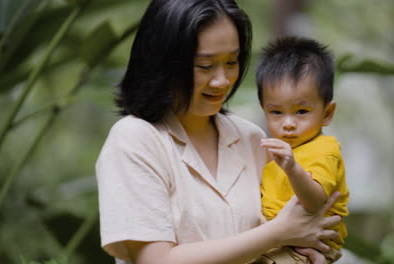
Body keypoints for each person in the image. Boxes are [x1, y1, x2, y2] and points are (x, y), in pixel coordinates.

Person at [95, 1, 341, 263]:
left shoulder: (252, 139)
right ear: (163, 62)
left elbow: (301, 227)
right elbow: (156, 260)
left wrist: (315, 250)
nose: (222, 80)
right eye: (205, 66)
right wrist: (278, 233)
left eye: (232, 62)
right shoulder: (134, 139)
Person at [257, 37, 350, 264]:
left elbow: (315, 201)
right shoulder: (278, 149)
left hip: (305, 247)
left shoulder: (324, 150)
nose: (288, 123)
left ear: (327, 113)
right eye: (276, 112)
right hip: (280, 241)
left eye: (301, 111)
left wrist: (292, 168)